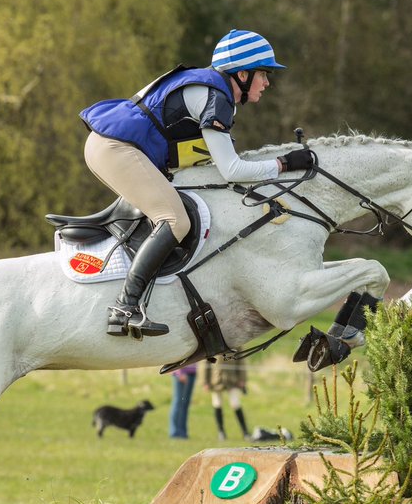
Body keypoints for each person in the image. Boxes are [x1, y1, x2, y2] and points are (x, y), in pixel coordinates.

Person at [79, 29, 315, 339]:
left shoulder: (212, 91)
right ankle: (125, 307)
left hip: (112, 145)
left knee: (177, 209)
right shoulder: (216, 98)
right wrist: (285, 164)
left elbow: (212, 165)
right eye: (264, 73)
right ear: (242, 74)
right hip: (116, 148)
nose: (267, 83)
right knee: (175, 220)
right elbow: (231, 169)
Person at [203, 358, 250, 441]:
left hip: (232, 380)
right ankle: (221, 432)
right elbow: (205, 362)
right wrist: (205, 381)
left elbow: (241, 360)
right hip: (216, 380)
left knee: (235, 404)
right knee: (217, 404)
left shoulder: (236, 345)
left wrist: (242, 379)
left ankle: (245, 432)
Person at [168, 363, 197, 439]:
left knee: (185, 404)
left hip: (192, 372)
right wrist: (179, 373)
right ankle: (174, 432)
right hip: (182, 374)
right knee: (178, 402)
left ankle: (183, 432)